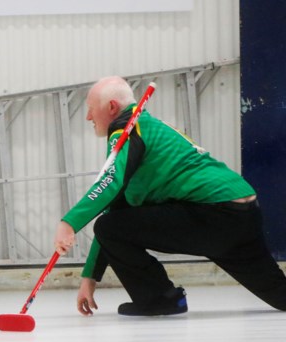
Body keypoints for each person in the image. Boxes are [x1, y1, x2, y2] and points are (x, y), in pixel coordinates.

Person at [53, 75, 286, 317]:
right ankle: (161, 299)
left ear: (112, 107)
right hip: (242, 211)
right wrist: (89, 278)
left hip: (212, 214)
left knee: (109, 227)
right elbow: (116, 206)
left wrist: (69, 223)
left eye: (91, 109)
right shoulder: (153, 127)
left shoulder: (127, 130)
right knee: (281, 295)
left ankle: (161, 300)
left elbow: (110, 181)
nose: (88, 117)